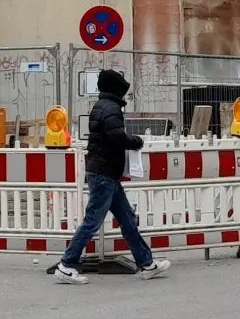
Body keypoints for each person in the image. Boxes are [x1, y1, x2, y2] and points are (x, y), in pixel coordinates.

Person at [54, 69, 171, 285]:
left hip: (106, 172)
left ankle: (147, 264)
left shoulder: (101, 106)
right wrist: (135, 141)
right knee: (93, 221)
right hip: (105, 172)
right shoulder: (111, 108)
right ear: (116, 90)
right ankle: (66, 265)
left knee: (127, 218)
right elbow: (116, 136)